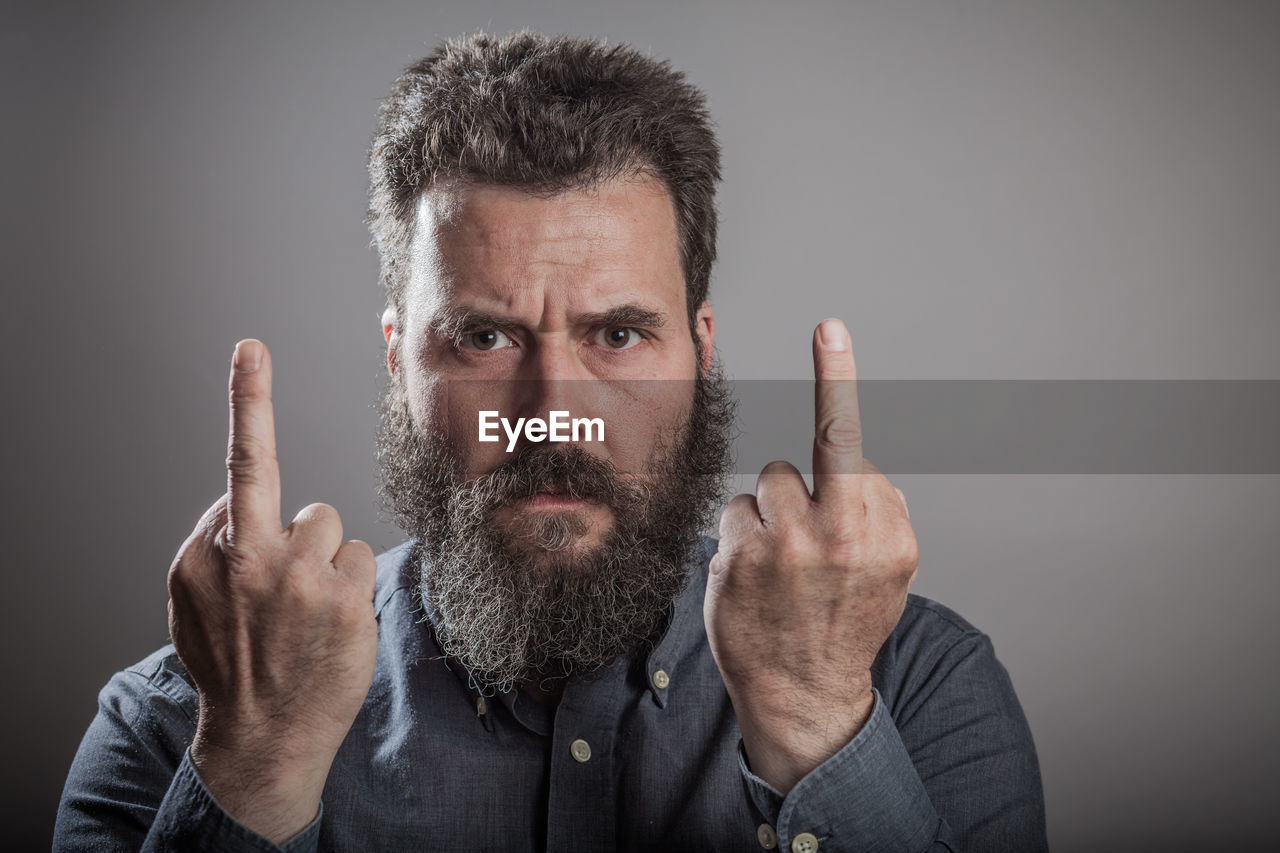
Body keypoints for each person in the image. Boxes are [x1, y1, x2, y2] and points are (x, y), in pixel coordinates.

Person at [54, 30, 1048, 852]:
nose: (549, 410)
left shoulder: (912, 686)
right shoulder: (181, 724)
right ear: (398, 360)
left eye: (617, 335)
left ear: (700, 353)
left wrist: (817, 717)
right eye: (483, 337)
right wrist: (255, 767)